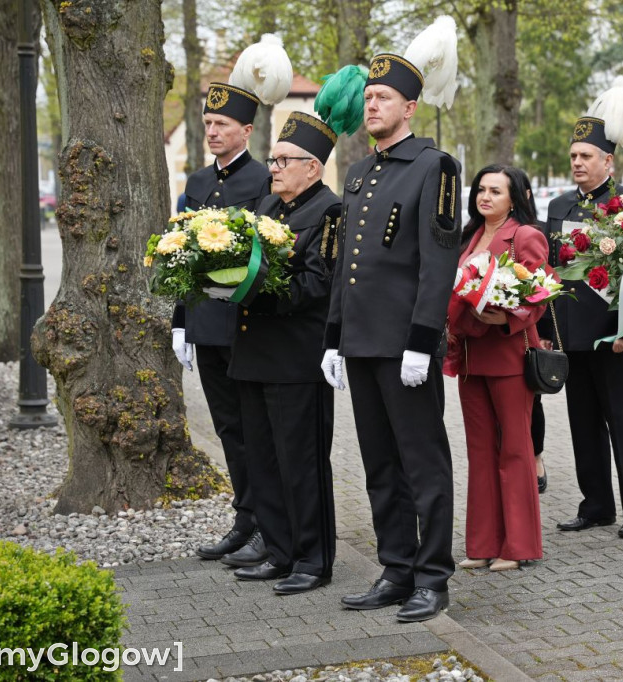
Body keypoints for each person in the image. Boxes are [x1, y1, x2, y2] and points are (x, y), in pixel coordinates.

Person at [322, 42, 461, 622]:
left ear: (411, 106)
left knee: (422, 463)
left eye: (383, 97)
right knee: (379, 463)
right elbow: (344, 267)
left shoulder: (436, 167)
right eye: (369, 96)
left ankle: (433, 577)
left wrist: (423, 340)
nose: (371, 105)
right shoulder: (357, 173)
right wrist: (333, 336)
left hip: (406, 344)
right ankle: (396, 568)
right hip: (361, 341)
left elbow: (439, 261)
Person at [208, 113, 342, 594]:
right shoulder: (268, 205)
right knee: (263, 460)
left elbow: (317, 284)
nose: (275, 168)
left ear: (313, 167)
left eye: (284, 160)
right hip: (253, 352)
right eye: (273, 159)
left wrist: (254, 290)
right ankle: (280, 551)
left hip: (295, 359)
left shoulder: (328, 213)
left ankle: (313, 559)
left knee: (300, 463)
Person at [540, 78, 623, 540]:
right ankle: (596, 505)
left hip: (615, 335)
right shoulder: (559, 205)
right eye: (573, 157)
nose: (578, 164)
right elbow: (547, 272)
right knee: (583, 425)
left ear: (608, 160)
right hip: (571, 334)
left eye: (586, 156)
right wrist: (547, 331)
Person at [176, 80, 271, 564]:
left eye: (222, 125)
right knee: (228, 428)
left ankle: (264, 524)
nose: (212, 132)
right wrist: (179, 322)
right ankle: (243, 519)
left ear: (246, 131)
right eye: (208, 124)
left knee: (254, 426)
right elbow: (178, 258)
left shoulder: (262, 182)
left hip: (244, 322)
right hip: (205, 324)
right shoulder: (195, 183)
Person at [445, 165, 547, 572]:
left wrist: (507, 318)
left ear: (513, 198)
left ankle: (519, 545)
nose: (485, 197)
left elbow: (539, 294)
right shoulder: (468, 237)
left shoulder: (525, 235)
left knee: (516, 449)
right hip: (470, 355)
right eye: (481, 190)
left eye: (495, 191)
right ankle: (483, 543)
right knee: (480, 451)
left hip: (508, 355)